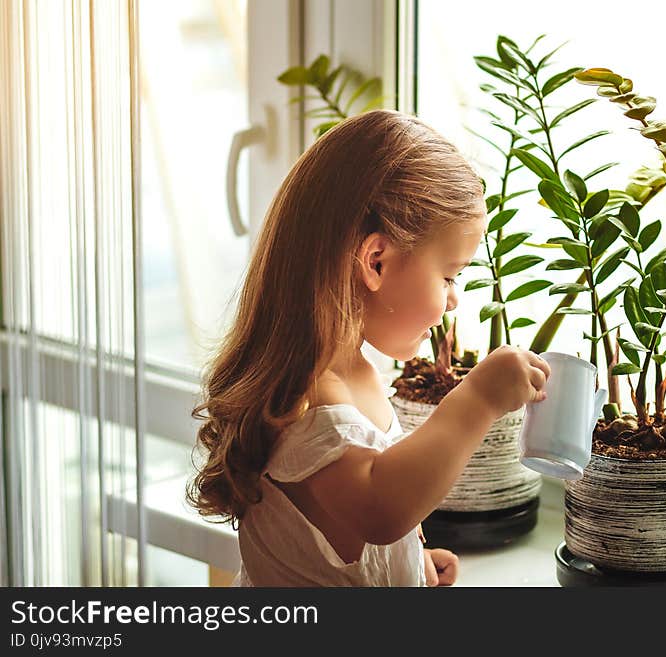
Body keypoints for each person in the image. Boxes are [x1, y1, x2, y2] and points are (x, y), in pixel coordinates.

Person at [187, 109, 550, 586]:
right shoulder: (310, 402)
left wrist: (406, 564)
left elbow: (355, 526)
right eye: (448, 276)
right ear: (375, 261)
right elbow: (380, 509)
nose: (454, 297)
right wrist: (477, 399)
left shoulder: (351, 372)